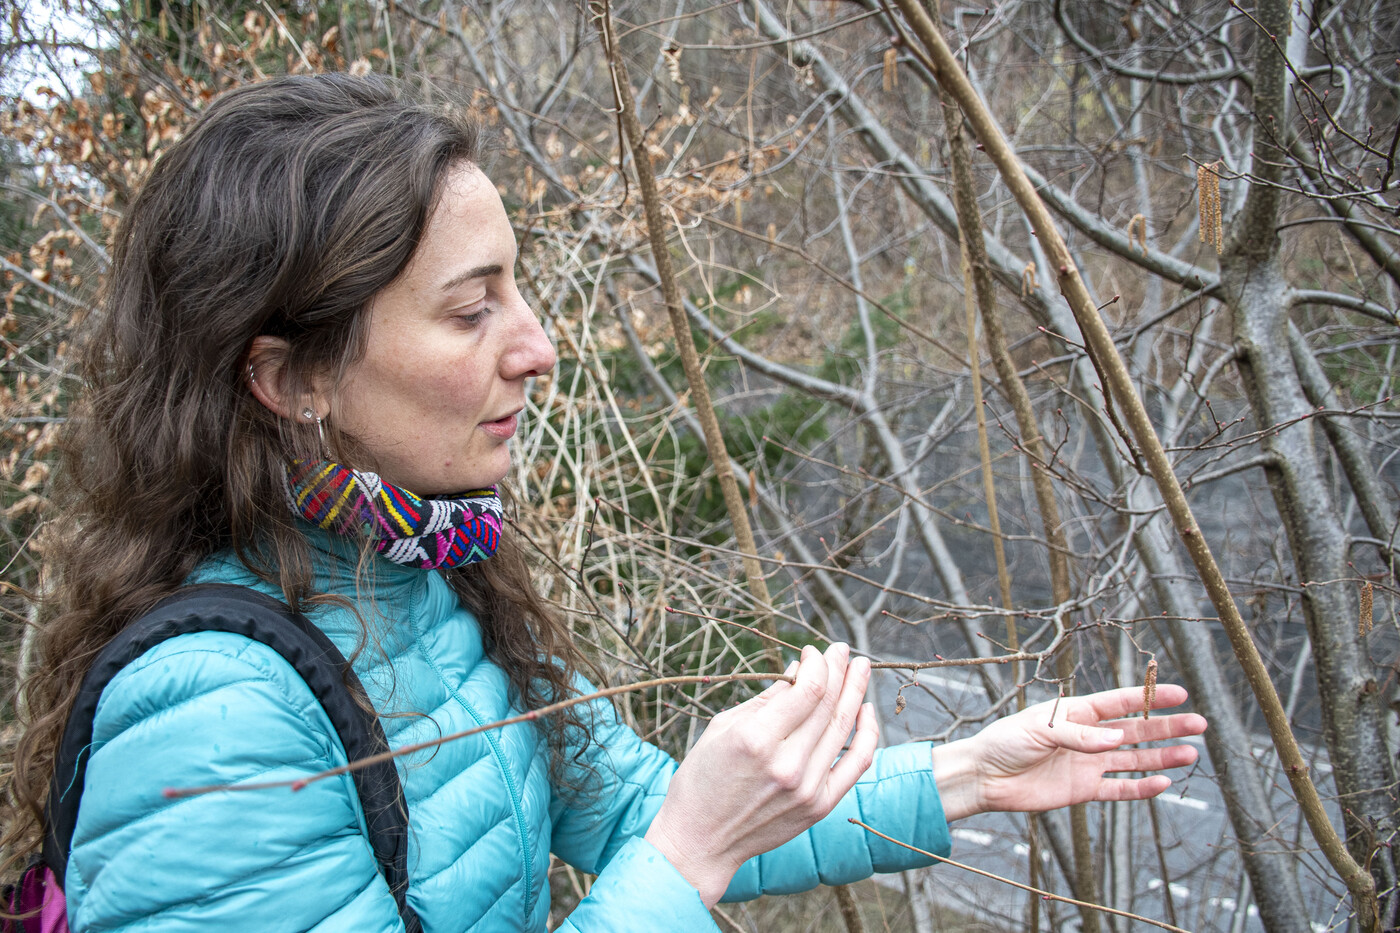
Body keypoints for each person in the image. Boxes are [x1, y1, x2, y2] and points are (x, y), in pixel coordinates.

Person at [2, 73, 1207, 933]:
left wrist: (970, 776)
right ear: (292, 376)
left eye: (514, 292)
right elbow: (676, 840)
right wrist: (688, 859)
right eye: (472, 311)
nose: (536, 345)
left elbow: (643, 809)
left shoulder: (424, 580)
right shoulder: (207, 723)